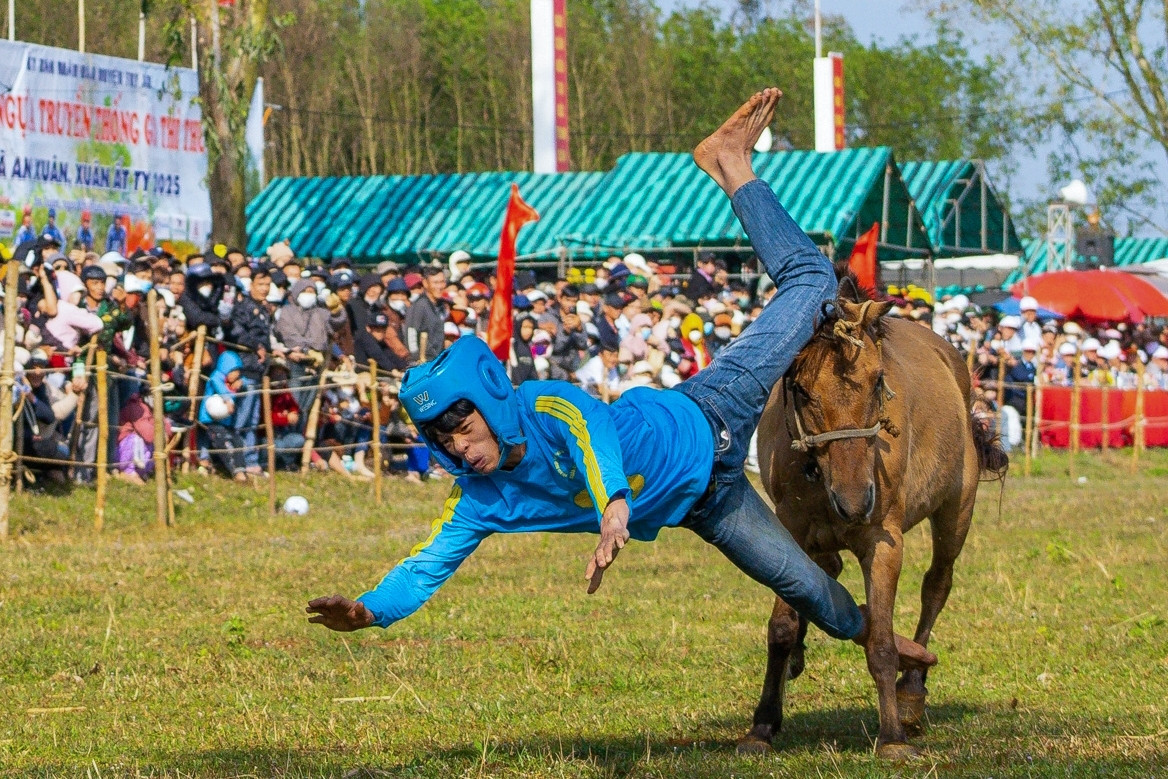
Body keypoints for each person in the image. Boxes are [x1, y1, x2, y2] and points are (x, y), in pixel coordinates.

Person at [306, 89, 937, 672]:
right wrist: (369, 611)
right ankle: (882, 640)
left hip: (714, 409)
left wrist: (612, 505)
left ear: (494, 402)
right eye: (442, 442)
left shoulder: (543, 404)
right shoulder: (479, 499)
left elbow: (592, 427)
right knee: (806, 588)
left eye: (461, 427)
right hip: (707, 502)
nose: (457, 449)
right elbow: (426, 567)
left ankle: (730, 163)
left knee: (814, 285)